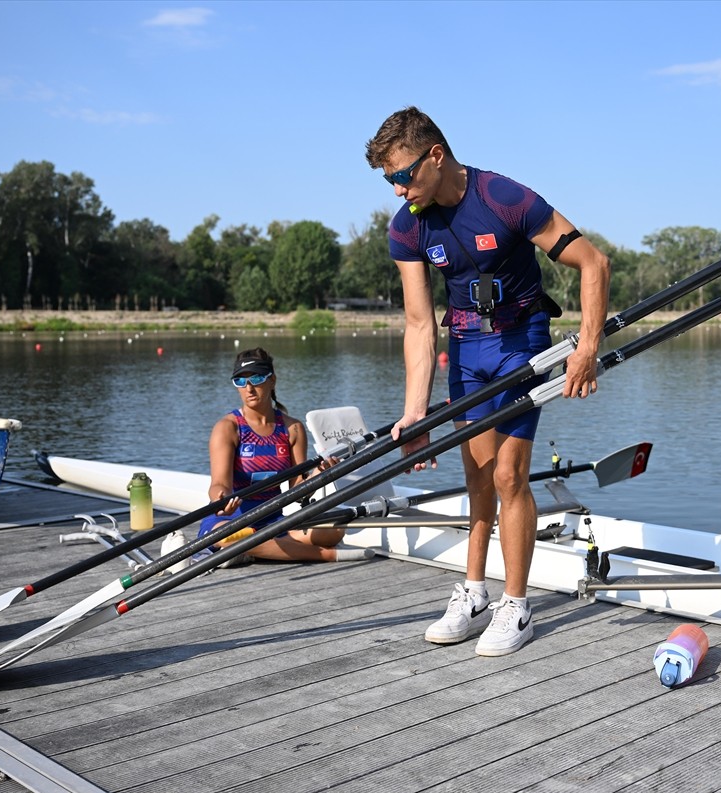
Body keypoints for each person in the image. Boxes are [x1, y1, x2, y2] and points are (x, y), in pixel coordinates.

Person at [365, 107, 610, 656]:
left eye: (402, 175)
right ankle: (474, 594)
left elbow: (594, 263)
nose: (398, 190)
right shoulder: (408, 226)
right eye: (388, 181)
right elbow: (418, 323)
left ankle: (517, 607)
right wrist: (415, 413)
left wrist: (587, 349)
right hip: (468, 351)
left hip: (522, 344)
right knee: (477, 474)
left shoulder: (505, 198)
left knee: (508, 474)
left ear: (435, 156)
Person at [195, 347, 373, 565]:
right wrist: (220, 500)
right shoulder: (227, 427)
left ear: (272, 380)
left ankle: (256, 549)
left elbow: (297, 491)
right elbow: (219, 484)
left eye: (256, 378)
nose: (248, 388)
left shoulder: (292, 429)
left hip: (273, 520)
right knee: (227, 537)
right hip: (231, 521)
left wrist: (318, 473)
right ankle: (325, 555)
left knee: (333, 531)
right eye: (240, 381)